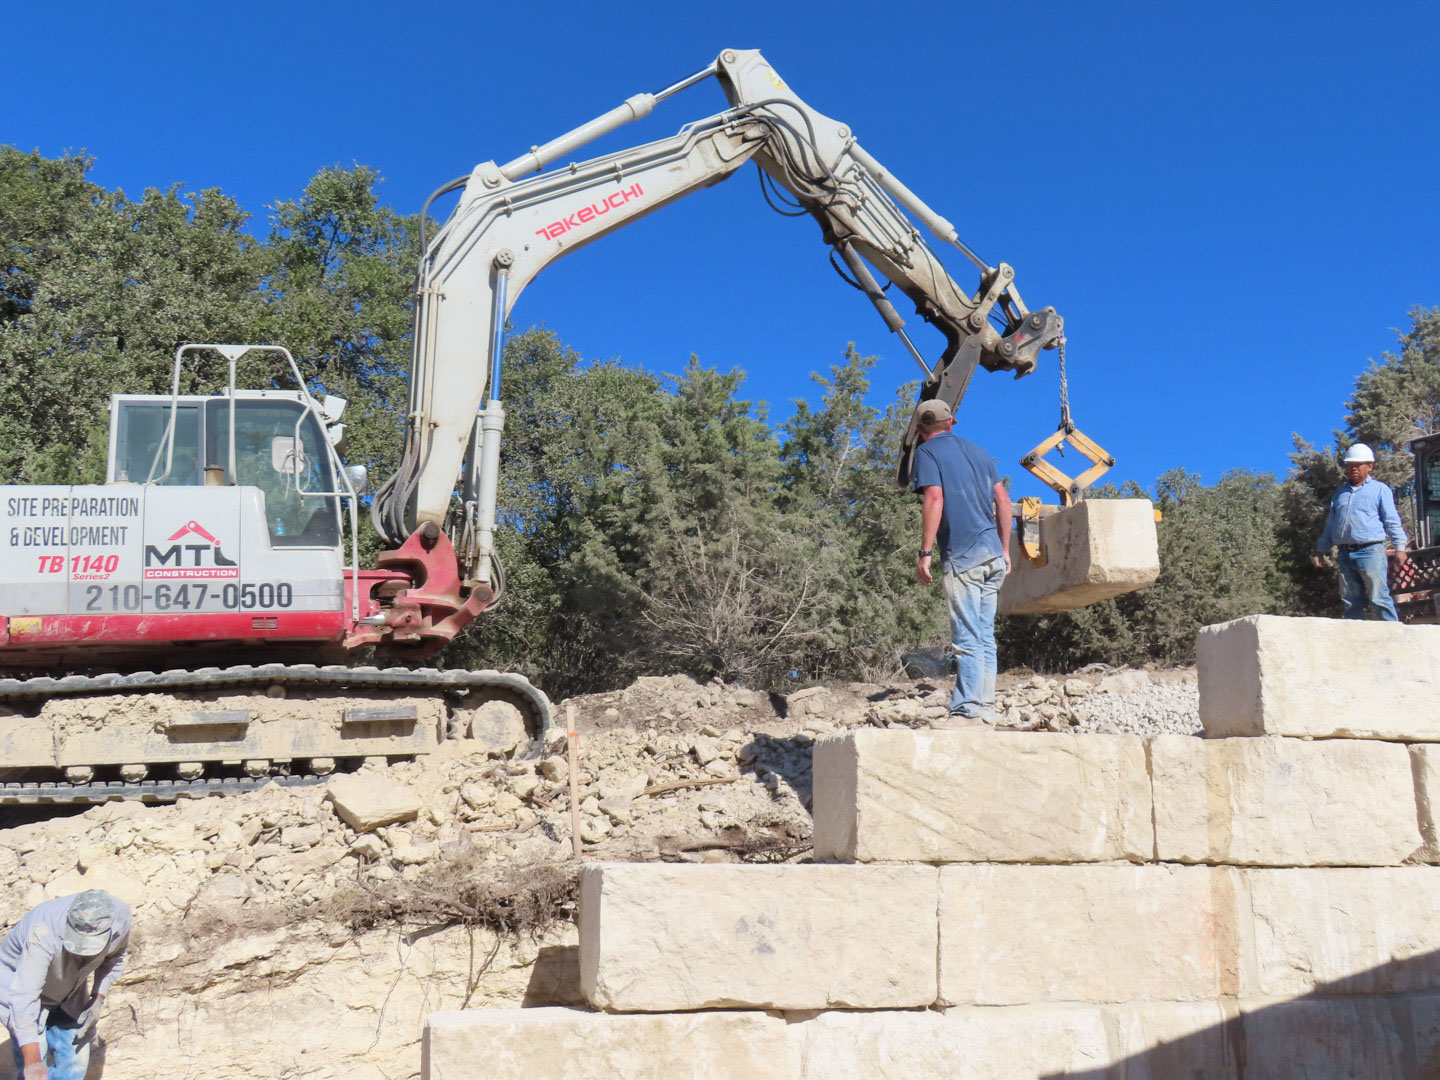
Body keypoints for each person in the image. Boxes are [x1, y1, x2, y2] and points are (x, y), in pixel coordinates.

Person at [911, 399, 1012, 725]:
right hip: (993, 555)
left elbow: (935, 498)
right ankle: (985, 711)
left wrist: (926, 552)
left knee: (968, 638)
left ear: (920, 429)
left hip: (964, 557)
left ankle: (967, 711)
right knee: (984, 636)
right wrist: (1006, 550)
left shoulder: (927, 453)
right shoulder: (980, 454)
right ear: (951, 422)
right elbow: (1003, 501)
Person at [0, 890, 131, 1080]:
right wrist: (33, 1061)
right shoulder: (43, 932)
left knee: (75, 1063)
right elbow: (24, 999)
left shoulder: (120, 918)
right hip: (20, 987)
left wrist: (98, 998)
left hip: (69, 985)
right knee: (36, 1065)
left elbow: (115, 959)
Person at [1312, 443, 1408, 621]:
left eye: (1358, 464)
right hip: (1345, 553)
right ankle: (1354, 640)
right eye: (1350, 465)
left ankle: (1393, 635)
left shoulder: (1380, 490)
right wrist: (1321, 549)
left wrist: (1400, 547)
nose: (1353, 468)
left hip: (1370, 551)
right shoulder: (1340, 494)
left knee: (1378, 597)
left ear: (1369, 466)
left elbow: (1392, 520)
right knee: (1350, 599)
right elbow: (1331, 525)